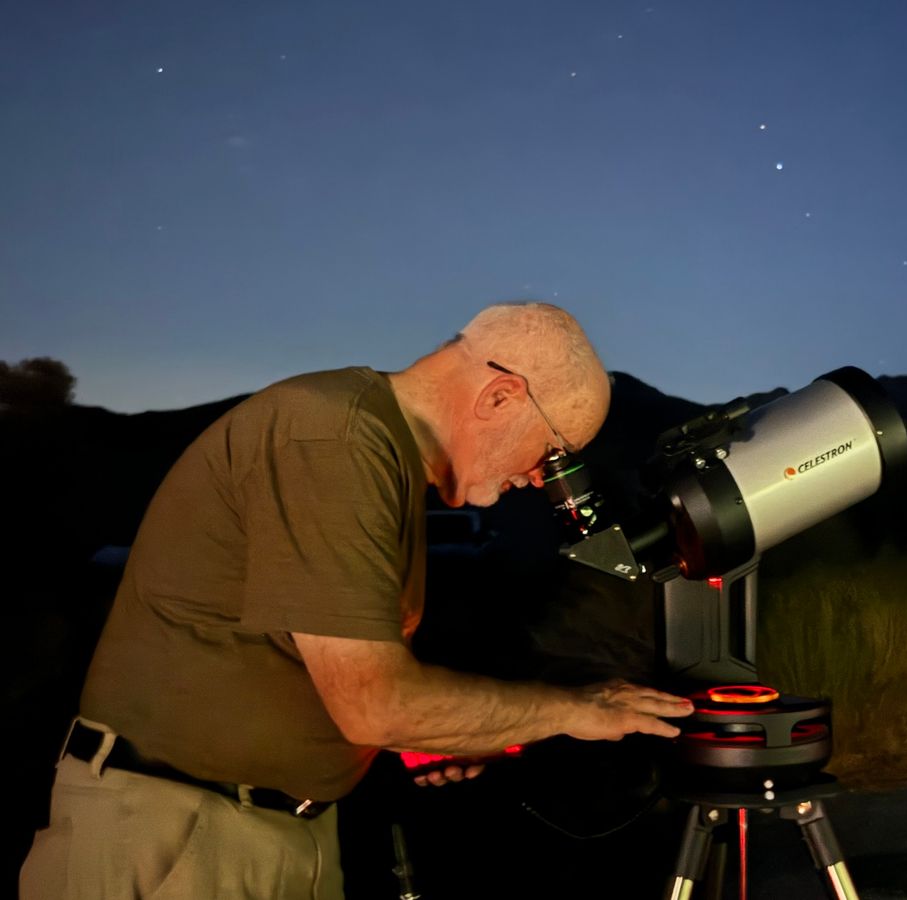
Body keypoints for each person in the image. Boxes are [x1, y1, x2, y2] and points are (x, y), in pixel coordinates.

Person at [20, 302, 693, 899]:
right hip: (177, 838)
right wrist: (577, 710)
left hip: (276, 830)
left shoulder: (383, 455)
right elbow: (376, 704)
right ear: (499, 397)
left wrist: (456, 730)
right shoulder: (333, 442)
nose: (540, 480)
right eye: (552, 452)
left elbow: (334, 678)